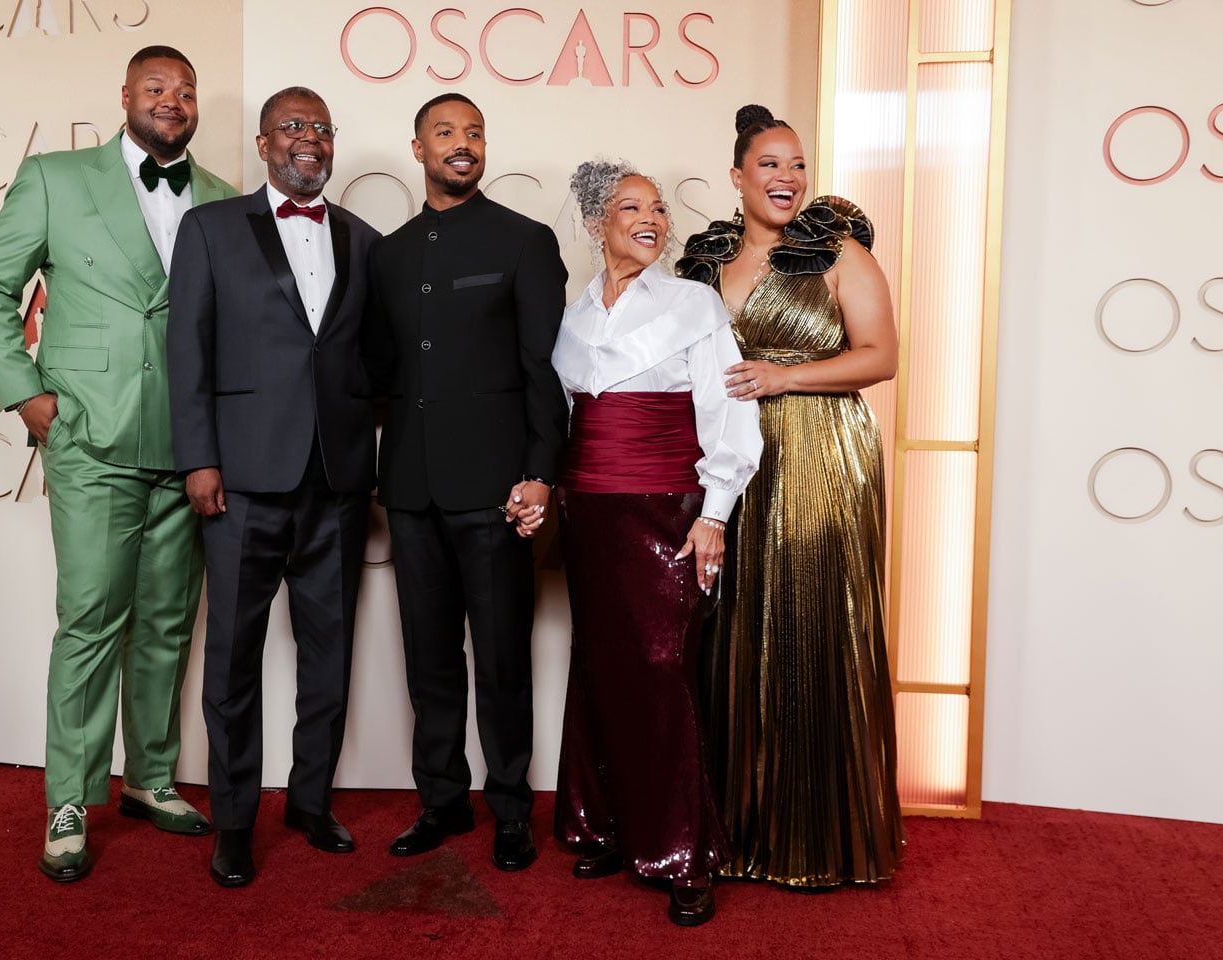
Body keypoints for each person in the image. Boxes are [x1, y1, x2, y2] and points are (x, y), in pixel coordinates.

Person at [0, 45, 236, 882]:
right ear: (125, 96)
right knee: (89, 623)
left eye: (185, 92)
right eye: (157, 88)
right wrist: (30, 396)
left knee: (165, 627)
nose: (173, 101)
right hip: (89, 439)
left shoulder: (223, 199)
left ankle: (151, 778)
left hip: (186, 453)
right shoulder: (55, 176)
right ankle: (71, 799)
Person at [676, 103, 905, 888]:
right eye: (769, 164)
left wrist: (785, 376)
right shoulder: (702, 262)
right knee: (730, 630)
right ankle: (733, 828)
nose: (787, 177)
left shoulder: (836, 250)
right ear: (737, 177)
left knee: (809, 622)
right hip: (725, 465)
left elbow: (881, 356)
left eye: (798, 164)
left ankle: (818, 835)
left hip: (821, 457)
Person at [167, 86, 380, 888]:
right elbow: (188, 351)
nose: (311, 140)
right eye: (294, 127)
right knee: (231, 661)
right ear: (262, 145)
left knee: (330, 655)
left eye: (322, 129)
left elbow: (373, 363)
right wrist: (199, 459)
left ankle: (310, 801)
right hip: (242, 483)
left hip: (337, 483)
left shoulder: (363, 238)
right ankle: (233, 820)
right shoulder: (211, 230)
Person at [551, 160, 762, 926]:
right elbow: (565, 418)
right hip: (590, 516)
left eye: (660, 208)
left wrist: (715, 513)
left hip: (669, 514)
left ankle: (683, 852)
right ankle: (609, 825)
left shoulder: (692, 302)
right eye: (632, 208)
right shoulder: (571, 313)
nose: (652, 219)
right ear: (593, 222)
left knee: (663, 668)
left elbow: (730, 411)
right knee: (602, 668)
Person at [364, 93, 569, 872]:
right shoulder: (387, 254)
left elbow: (544, 373)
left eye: (473, 133)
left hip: (497, 490)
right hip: (410, 489)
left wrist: (541, 473)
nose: (462, 144)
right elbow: (380, 373)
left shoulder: (524, 240)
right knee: (430, 660)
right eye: (445, 133)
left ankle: (510, 808)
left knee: (503, 657)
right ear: (417, 148)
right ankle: (441, 802)